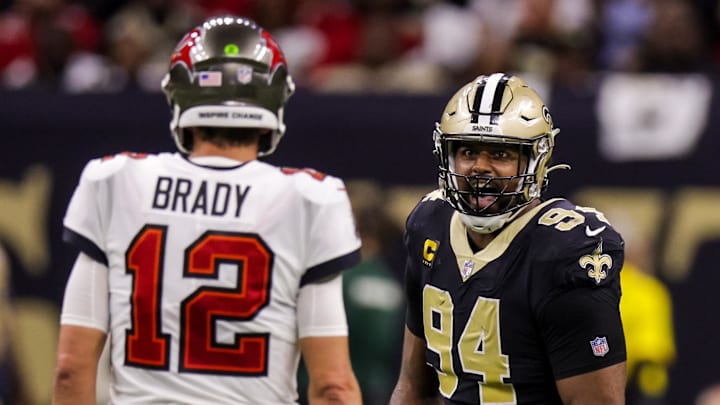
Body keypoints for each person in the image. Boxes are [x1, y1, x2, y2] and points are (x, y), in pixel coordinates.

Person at [52, 16, 362, 405]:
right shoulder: (310, 197)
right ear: (274, 97)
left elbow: (70, 369)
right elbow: (333, 385)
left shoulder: (115, 180)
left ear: (180, 94)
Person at [390, 73, 627, 404]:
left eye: (499, 155)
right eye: (468, 151)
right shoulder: (430, 224)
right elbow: (413, 385)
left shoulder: (563, 251)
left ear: (536, 160)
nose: (479, 168)